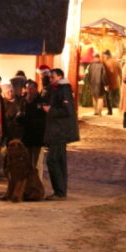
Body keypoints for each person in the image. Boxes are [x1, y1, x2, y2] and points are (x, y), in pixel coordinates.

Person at [42, 68, 80, 199]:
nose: (50, 79)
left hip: (59, 132)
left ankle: (59, 191)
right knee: (58, 160)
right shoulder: (55, 88)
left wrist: (50, 110)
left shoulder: (64, 89)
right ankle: (60, 191)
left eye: (52, 77)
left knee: (53, 160)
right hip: (56, 130)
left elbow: (67, 111)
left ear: (59, 77)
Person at [19, 79, 47, 171]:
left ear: (36, 89)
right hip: (25, 134)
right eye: (27, 88)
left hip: (37, 135)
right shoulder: (23, 101)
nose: (29, 91)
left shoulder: (41, 101)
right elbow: (19, 116)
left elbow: (43, 118)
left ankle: (34, 181)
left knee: (34, 162)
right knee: (26, 160)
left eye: (31, 88)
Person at [102, 51, 121, 115]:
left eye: (104, 56)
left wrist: (105, 84)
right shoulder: (116, 62)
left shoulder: (106, 63)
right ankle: (119, 111)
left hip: (109, 83)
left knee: (108, 98)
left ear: (107, 56)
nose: (104, 57)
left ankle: (110, 111)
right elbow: (120, 72)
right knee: (116, 98)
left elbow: (105, 74)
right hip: (116, 83)